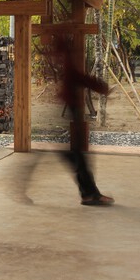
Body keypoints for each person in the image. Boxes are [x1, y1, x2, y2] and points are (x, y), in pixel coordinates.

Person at [53, 36, 114, 207]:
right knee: (78, 155)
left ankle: (89, 193)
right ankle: (89, 194)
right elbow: (80, 77)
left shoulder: (64, 60)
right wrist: (102, 87)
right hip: (73, 110)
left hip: (72, 109)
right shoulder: (68, 61)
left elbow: (79, 77)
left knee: (78, 154)